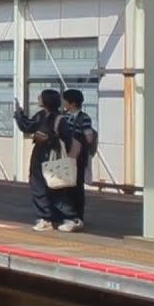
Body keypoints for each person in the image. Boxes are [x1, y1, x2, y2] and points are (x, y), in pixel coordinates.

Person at [14, 89, 82, 232]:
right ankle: (45, 218)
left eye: (41, 97)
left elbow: (68, 140)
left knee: (55, 188)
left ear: (46, 101)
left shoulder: (59, 119)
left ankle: (72, 218)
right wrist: (19, 115)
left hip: (53, 156)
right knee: (38, 187)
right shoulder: (40, 115)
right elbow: (28, 126)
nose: (38, 99)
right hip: (39, 155)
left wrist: (50, 139)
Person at [63, 89, 97, 225]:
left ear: (71, 103)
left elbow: (89, 138)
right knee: (73, 185)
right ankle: (73, 214)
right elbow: (89, 137)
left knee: (74, 186)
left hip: (76, 156)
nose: (63, 103)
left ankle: (75, 215)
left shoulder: (69, 118)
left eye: (65, 101)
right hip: (72, 155)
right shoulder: (84, 117)